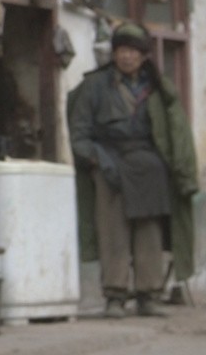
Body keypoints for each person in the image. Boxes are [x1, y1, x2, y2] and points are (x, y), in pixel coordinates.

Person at [67, 21, 199, 319]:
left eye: (133, 51)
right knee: (113, 232)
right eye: (121, 50)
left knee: (149, 233)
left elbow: (176, 132)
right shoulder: (94, 86)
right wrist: (99, 160)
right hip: (109, 165)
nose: (126, 57)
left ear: (143, 56)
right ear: (114, 54)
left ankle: (148, 295)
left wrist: (181, 171)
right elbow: (80, 135)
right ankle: (114, 296)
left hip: (150, 167)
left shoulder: (157, 89)